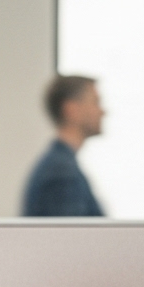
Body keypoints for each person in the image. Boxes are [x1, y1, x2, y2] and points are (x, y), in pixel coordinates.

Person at [22, 74, 105, 217]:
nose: (103, 111)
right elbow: (70, 238)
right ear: (71, 109)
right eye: (95, 102)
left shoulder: (61, 164)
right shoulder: (61, 172)